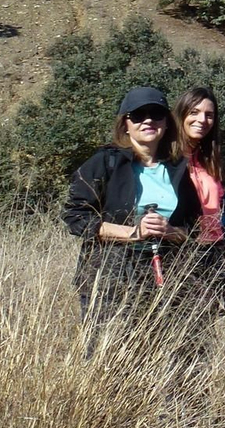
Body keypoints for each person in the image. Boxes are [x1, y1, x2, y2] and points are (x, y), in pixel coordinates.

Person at [63, 85, 202, 320]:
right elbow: (76, 218)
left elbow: (194, 228)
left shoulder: (178, 168)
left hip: (168, 278)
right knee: (110, 342)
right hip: (110, 278)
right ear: (125, 124)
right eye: (138, 115)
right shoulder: (105, 162)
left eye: (156, 114)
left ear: (167, 123)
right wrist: (133, 233)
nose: (148, 120)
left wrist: (170, 231)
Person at [176, 86, 225, 245]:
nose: (202, 120)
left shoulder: (208, 159)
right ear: (182, 114)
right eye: (194, 112)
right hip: (181, 245)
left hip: (213, 247)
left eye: (209, 115)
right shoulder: (168, 160)